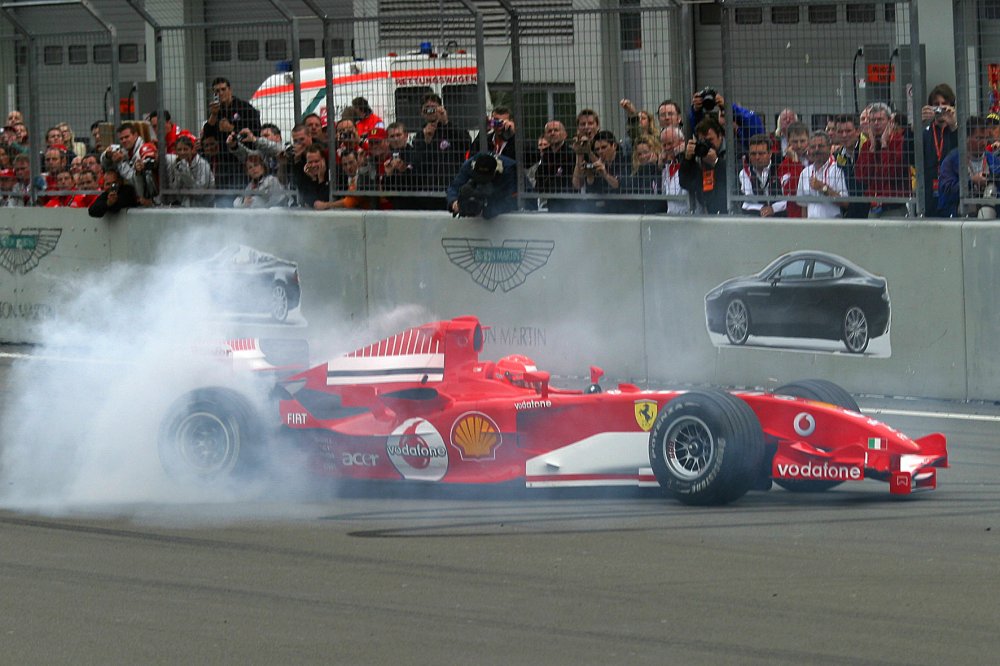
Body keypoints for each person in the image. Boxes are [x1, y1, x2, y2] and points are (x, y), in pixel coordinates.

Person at [413, 93, 472, 203]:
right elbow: (417, 163)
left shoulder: (452, 129)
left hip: (453, 187)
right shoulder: (420, 135)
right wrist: (427, 142)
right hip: (430, 191)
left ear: (440, 109)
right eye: (427, 109)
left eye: (433, 108)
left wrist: (446, 123)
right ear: (422, 113)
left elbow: (467, 143)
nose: (430, 112)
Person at [938, 116, 1000, 218]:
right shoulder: (952, 160)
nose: (984, 142)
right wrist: (971, 182)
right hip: (958, 212)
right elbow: (946, 190)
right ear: (966, 138)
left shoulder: (993, 160)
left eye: (986, 138)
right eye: (978, 138)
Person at [856, 102, 911, 217]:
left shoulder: (900, 142)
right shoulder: (867, 145)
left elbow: (892, 173)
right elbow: (862, 177)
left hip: (894, 207)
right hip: (873, 207)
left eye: (880, 119)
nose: (876, 123)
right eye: (872, 120)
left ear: (890, 121)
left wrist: (884, 146)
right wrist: (872, 149)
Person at [920, 84, 958, 218]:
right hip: (929, 193)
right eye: (936, 104)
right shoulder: (925, 132)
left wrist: (953, 125)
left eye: (944, 104)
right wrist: (915, 125)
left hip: (952, 192)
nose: (940, 108)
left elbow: (961, 156)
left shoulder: (957, 130)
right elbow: (910, 158)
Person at [679, 116, 728, 214]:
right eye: (703, 141)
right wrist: (688, 160)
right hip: (705, 209)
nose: (707, 144)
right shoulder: (698, 155)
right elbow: (685, 182)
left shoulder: (731, 152)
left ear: (720, 136)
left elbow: (734, 178)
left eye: (710, 140)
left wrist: (716, 162)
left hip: (726, 209)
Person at [447, 152, 517, 219]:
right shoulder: (469, 165)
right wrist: (454, 202)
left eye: (485, 178)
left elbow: (512, 201)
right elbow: (454, 187)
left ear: (495, 172)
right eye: (479, 177)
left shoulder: (509, 170)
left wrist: (486, 211)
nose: (482, 181)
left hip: (502, 192)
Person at [572, 129, 628, 213]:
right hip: (598, 210)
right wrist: (580, 154)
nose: (600, 151)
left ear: (614, 146)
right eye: (597, 149)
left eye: (604, 147)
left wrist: (605, 174)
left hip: (621, 209)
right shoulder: (594, 162)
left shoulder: (624, 161)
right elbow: (578, 184)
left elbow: (617, 184)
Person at [796, 131, 847, 219]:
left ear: (829, 147)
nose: (816, 150)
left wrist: (823, 188)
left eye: (820, 146)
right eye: (813, 147)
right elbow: (803, 206)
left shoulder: (838, 170)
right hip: (811, 227)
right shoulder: (805, 173)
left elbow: (845, 202)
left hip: (833, 227)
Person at [832, 114, 870, 219]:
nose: (844, 135)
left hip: (871, 210)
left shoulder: (869, 149)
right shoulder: (837, 156)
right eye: (840, 132)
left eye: (848, 131)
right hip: (849, 214)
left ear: (857, 131)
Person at [739, 133, 787, 217]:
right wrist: (762, 209)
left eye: (761, 153)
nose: (757, 157)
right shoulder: (744, 172)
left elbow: (790, 198)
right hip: (757, 218)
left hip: (782, 217)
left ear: (770, 153)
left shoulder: (782, 167)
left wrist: (773, 208)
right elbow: (747, 201)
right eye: (753, 154)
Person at [533, 120, 576, 212]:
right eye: (549, 131)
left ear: (565, 134)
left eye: (556, 130)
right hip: (551, 202)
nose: (552, 133)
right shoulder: (545, 154)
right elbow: (539, 178)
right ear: (545, 136)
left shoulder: (571, 154)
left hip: (570, 203)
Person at [163, 134, 215, 207]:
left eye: (185, 149)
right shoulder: (177, 164)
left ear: (192, 150)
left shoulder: (202, 164)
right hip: (185, 206)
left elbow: (200, 194)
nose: (182, 152)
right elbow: (175, 190)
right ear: (176, 152)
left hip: (204, 206)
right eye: (179, 150)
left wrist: (185, 173)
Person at [777, 122, 810, 218]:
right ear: (788, 142)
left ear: (808, 140)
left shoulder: (815, 160)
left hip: (816, 215)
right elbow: (790, 191)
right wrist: (795, 162)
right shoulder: (784, 165)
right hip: (795, 216)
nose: (799, 145)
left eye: (802, 141)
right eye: (795, 142)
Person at [659, 127, 690, 215]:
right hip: (672, 218)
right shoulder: (667, 167)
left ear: (682, 142)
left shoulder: (691, 162)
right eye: (664, 145)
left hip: (690, 217)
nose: (667, 148)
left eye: (670, 143)